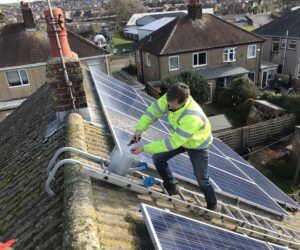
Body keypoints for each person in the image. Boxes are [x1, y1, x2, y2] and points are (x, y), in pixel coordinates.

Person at [130, 83, 218, 210]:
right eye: (168, 103)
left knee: (201, 177)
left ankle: (212, 205)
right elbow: (153, 112)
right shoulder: (171, 97)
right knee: (158, 158)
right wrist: (139, 130)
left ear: (184, 101)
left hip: (197, 145)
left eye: (171, 105)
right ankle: (172, 186)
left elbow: (171, 143)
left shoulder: (192, 117)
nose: (168, 106)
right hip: (180, 138)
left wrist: (144, 148)